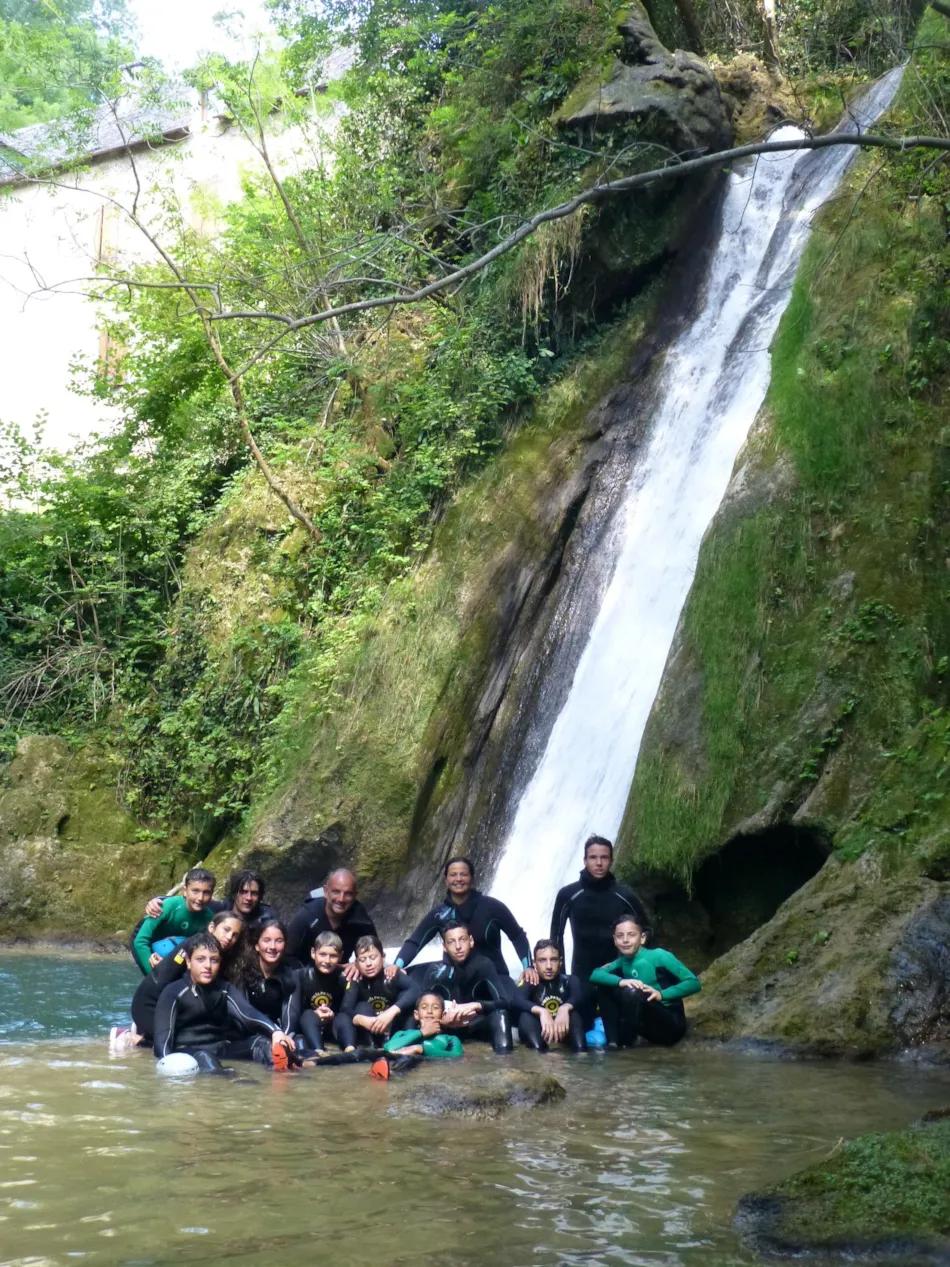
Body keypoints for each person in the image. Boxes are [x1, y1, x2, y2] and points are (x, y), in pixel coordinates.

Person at [152, 933, 296, 1070]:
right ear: (189, 962)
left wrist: (275, 1031)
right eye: (200, 959)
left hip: (221, 1049)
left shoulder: (224, 989)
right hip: (187, 1054)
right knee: (206, 1058)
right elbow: (162, 1044)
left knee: (263, 1044)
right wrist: (171, 1067)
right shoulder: (173, 992)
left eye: (214, 960)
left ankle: (282, 1081)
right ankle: (231, 1082)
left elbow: (247, 1014)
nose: (208, 966)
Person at [117, 911, 247, 1052]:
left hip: (177, 1008)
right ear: (212, 927)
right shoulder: (192, 946)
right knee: (185, 1041)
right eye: (226, 930)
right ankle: (134, 1038)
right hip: (150, 1005)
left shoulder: (225, 955)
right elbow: (163, 981)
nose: (229, 937)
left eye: (235, 935)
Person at [391, 856, 536, 981]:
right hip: (455, 978)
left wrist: (528, 967)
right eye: (453, 875)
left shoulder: (492, 906)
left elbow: (517, 936)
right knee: (403, 977)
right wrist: (397, 965)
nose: (458, 879)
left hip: (494, 976)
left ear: (471, 878)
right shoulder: (440, 913)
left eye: (463, 874)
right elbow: (415, 942)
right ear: (446, 880)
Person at [550, 836, 649, 1013]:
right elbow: (556, 936)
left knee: (618, 1034)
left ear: (611, 860)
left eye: (604, 858)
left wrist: (634, 965)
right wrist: (561, 977)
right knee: (577, 1028)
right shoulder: (569, 894)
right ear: (584, 860)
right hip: (581, 973)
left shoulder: (624, 895)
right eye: (593, 857)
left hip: (617, 973)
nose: (599, 863)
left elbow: (646, 931)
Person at [590, 915, 700, 1048]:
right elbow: (595, 974)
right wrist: (621, 981)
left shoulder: (659, 956)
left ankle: (625, 1044)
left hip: (670, 1024)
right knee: (603, 987)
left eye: (631, 935)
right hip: (646, 1025)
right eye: (620, 936)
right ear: (614, 940)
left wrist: (662, 994)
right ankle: (613, 1042)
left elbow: (694, 983)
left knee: (632, 993)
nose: (625, 940)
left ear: (642, 938)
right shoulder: (622, 961)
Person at [420, 922, 516, 1055]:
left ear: (471, 941)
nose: (458, 946)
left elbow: (504, 1002)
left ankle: (506, 1062)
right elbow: (420, 1008)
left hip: (474, 1025)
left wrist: (475, 1005)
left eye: (462, 940)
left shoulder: (484, 965)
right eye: (451, 942)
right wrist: (443, 1021)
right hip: (446, 1026)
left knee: (501, 1014)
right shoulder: (435, 971)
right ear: (444, 947)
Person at [286, 869, 377, 971]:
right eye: (336, 892)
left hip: (341, 976)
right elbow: (286, 954)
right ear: (326, 891)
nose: (341, 899)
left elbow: (375, 953)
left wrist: (357, 964)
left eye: (348, 894)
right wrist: (304, 977)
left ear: (355, 896)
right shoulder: (308, 915)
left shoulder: (360, 918)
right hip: (305, 975)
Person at [337, 935, 419, 1049]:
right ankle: (370, 1046)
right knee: (361, 1006)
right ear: (356, 963)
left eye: (373, 957)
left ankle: (405, 1045)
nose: (368, 963)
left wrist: (391, 1012)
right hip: (370, 1029)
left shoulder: (391, 974)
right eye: (362, 959)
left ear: (383, 957)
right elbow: (345, 1008)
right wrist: (362, 1020)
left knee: (408, 1004)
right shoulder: (356, 979)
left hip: (393, 1029)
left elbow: (415, 989)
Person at [131, 868, 216, 973]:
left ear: (212, 894)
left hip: (177, 946)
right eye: (195, 891)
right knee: (156, 983)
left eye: (206, 893)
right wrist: (154, 975)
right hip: (145, 941)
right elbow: (140, 941)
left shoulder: (209, 918)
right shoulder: (168, 906)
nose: (200, 898)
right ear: (185, 891)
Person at [516, 939, 587, 1053]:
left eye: (553, 960)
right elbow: (516, 1000)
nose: (549, 966)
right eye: (542, 960)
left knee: (574, 1015)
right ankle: (540, 1053)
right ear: (534, 963)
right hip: (540, 1031)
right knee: (525, 1016)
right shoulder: (530, 981)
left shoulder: (570, 980)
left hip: (564, 1030)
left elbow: (579, 997)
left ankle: (581, 1056)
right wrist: (542, 1011)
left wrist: (565, 1008)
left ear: (560, 962)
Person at [143, 869, 277, 927]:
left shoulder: (266, 917)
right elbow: (190, 901)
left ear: (259, 896)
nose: (248, 898)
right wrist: (159, 900)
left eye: (253, 893)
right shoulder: (219, 908)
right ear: (234, 893)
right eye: (243, 892)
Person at [234, 919, 300, 1032]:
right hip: (248, 1032)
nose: (272, 947)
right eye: (266, 940)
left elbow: (290, 1017)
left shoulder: (291, 974)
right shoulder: (244, 971)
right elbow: (243, 1011)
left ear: (285, 945)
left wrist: (283, 1037)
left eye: (279, 941)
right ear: (257, 946)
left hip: (278, 1033)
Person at [291, 931, 350, 1053]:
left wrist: (332, 1015)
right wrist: (316, 1014)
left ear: (340, 956)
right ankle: (319, 1051)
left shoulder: (345, 977)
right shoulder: (300, 976)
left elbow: (348, 1009)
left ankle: (350, 1050)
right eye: (322, 954)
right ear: (313, 953)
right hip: (309, 1026)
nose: (327, 960)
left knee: (343, 1017)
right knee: (308, 1014)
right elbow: (294, 1011)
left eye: (333, 956)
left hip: (334, 1027)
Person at [382, 992, 464, 1059]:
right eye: (424, 1007)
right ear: (416, 1015)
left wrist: (420, 1049)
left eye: (435, 1008)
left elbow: (457, 1056)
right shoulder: (402, 1034)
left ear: (443, 1015)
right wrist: (422, 1032)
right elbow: (388, 1048)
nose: (429, 1011)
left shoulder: (450, 1039)